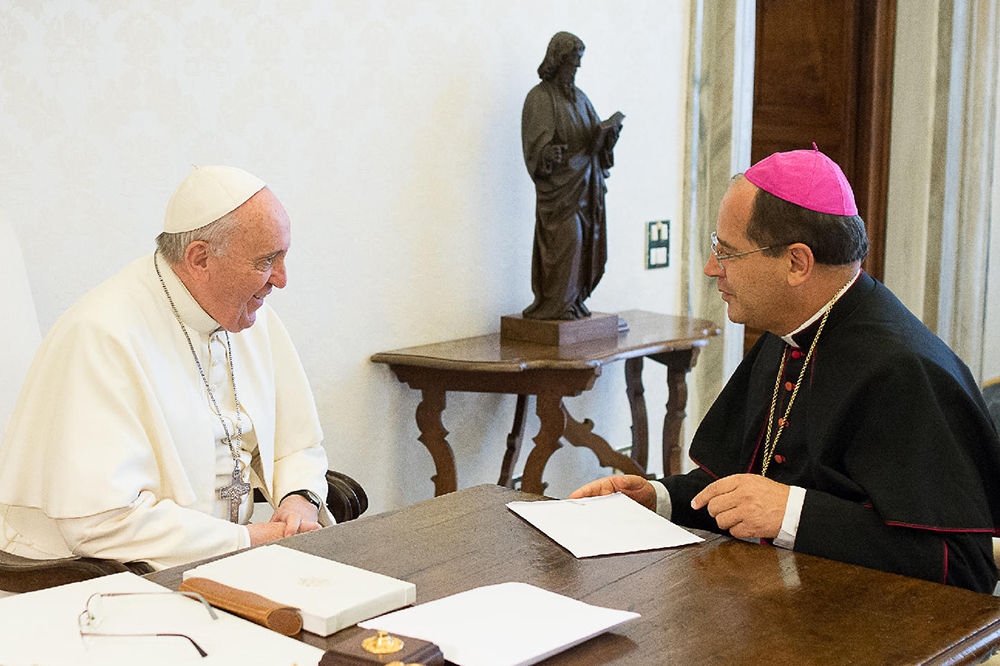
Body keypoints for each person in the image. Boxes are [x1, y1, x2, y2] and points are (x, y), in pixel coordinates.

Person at [571, 147, 1000, 593]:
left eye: (727, 252)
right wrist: (657, 499)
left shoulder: (905, 371)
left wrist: (793, 513)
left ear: (797, 263)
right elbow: (746, 487)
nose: (711, 268)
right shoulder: (790, 334)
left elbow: (965, 566)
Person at [0, 166, 333, 570]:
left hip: (222, 564)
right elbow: (100, 523)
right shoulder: (102, 335)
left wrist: (300, 499)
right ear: (200, 258)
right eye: (266, 261)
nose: (280, 280)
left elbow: (295, 442)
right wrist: (250, 539)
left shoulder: (248, 316)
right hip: (101, 581)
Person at [521, 31, 622, 320]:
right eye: (573, 61)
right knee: (569, 239)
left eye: (579, 62)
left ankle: (574, 302)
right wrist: (546, 155)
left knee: (587, 242)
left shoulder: (581, 99)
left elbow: (593, 142)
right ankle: (555, 305)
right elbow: (534, 146)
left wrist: (609, 137)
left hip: (587, 187)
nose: (577, 68)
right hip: (560, 194)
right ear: (558, 60)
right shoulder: (539, 98)